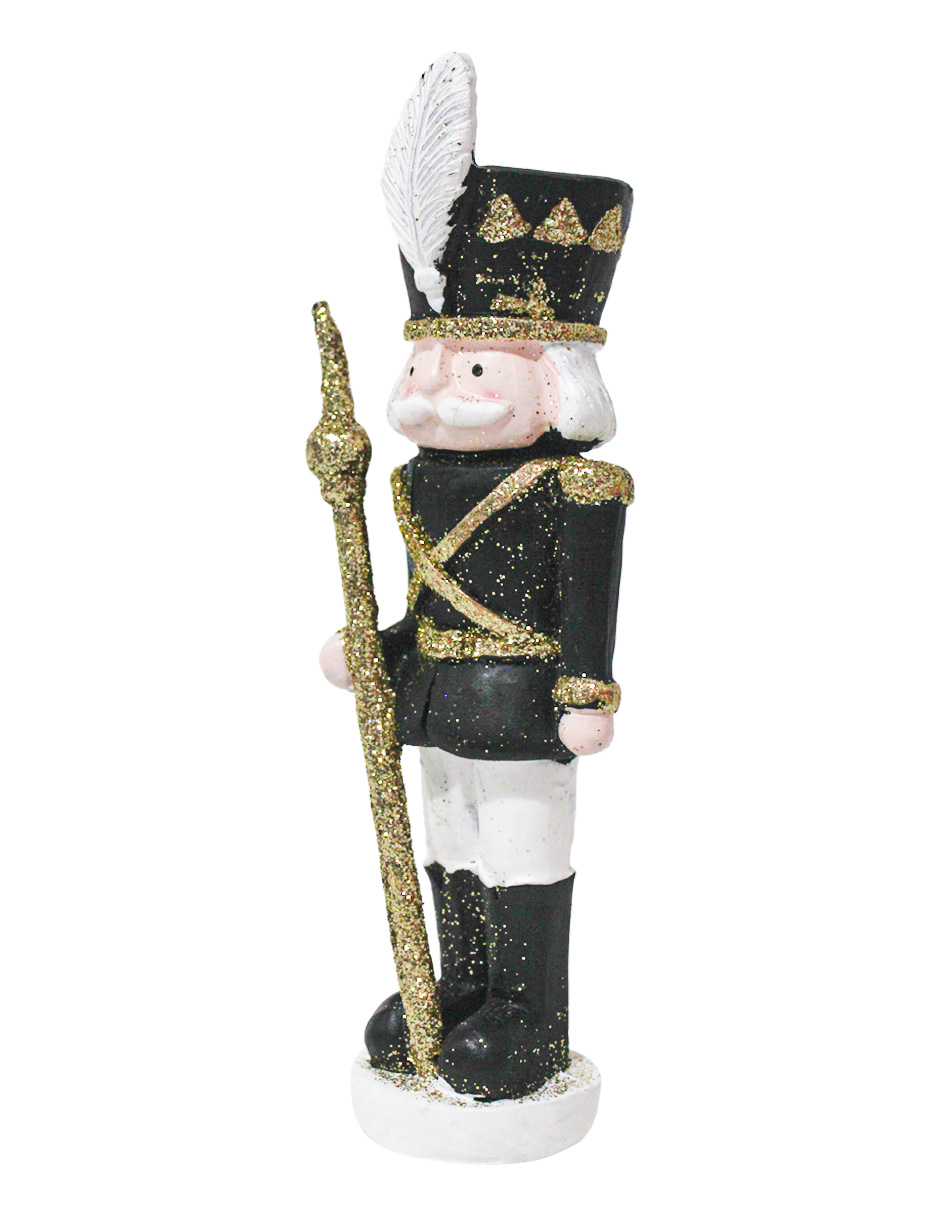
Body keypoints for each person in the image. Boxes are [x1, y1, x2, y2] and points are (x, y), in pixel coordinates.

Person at [319, 53, 633, 1100]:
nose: (432, 392)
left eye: (474, 368)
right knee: (450, 842)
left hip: (524, 700)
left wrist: (586, 692)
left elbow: (586, 599)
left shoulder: (577, 488)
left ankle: (529, 1016)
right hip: (436, 697)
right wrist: (375, 647)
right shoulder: (416, 482)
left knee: (520, 850)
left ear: (558, 380)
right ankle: (457, 990)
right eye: (423, 365)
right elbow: (426, 603)